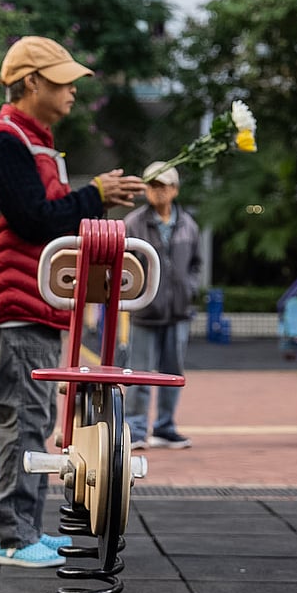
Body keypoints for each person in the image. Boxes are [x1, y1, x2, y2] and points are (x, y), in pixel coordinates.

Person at [0, 36, 144, 568]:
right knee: (22, 420)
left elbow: (43, 214)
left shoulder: (32, 141)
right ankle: (14, 537)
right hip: (11, 299)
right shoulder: (4, 141)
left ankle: (25, 530)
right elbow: (34, 218)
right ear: (31, 82)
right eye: (63, 81)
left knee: (31, 419)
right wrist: (95, 196)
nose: (71, 92)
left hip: (30, 298)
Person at [122, 162, 201, 451]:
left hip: (178, 311)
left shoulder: (188, 224)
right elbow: (124, 264)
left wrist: (189, 289)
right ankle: (137, 428)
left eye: (162, 185)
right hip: (145, 311)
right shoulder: (134, 222)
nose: (157, 191)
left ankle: (166, 426)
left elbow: (196, 265)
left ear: (175, 189)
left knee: (172, 373)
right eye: (152, 185)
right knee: (139, 373)